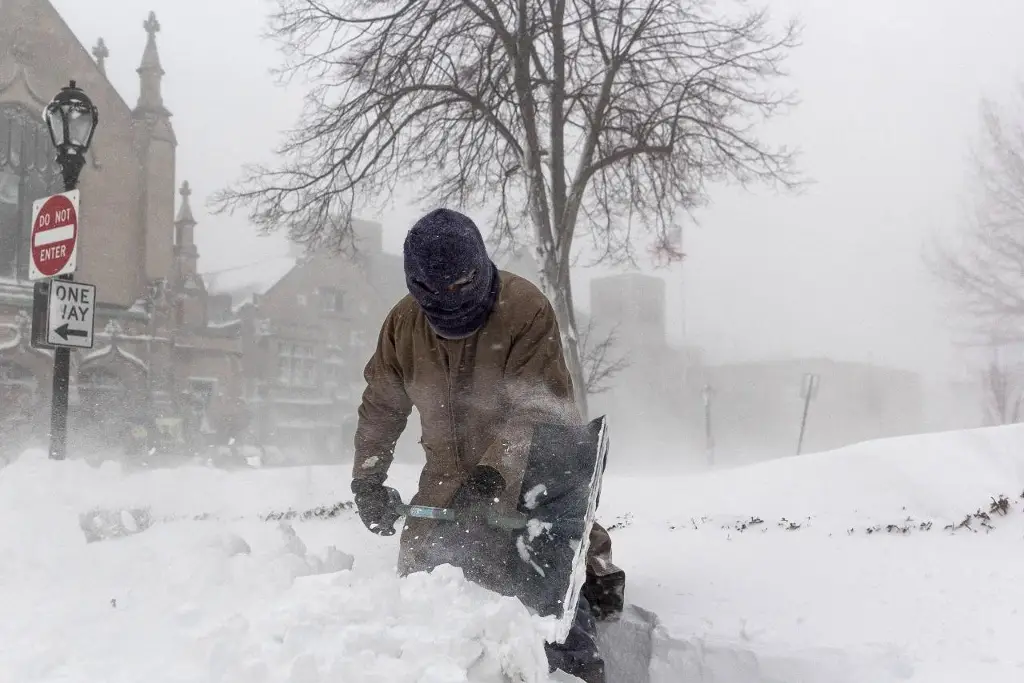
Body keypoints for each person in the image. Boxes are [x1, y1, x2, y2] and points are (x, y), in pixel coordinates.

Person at [350, 208, 620, 683]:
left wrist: (495, 474)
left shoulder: (524, 309)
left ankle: (574, 648)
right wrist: (367, 480)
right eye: (435, 293)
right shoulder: (402, 326)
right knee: (428, 590)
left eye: (459, 287)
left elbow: (542, 408)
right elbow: (381, 405)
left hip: (529, 470)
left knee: (546, 589)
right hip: (445, 480)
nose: (449, 301)